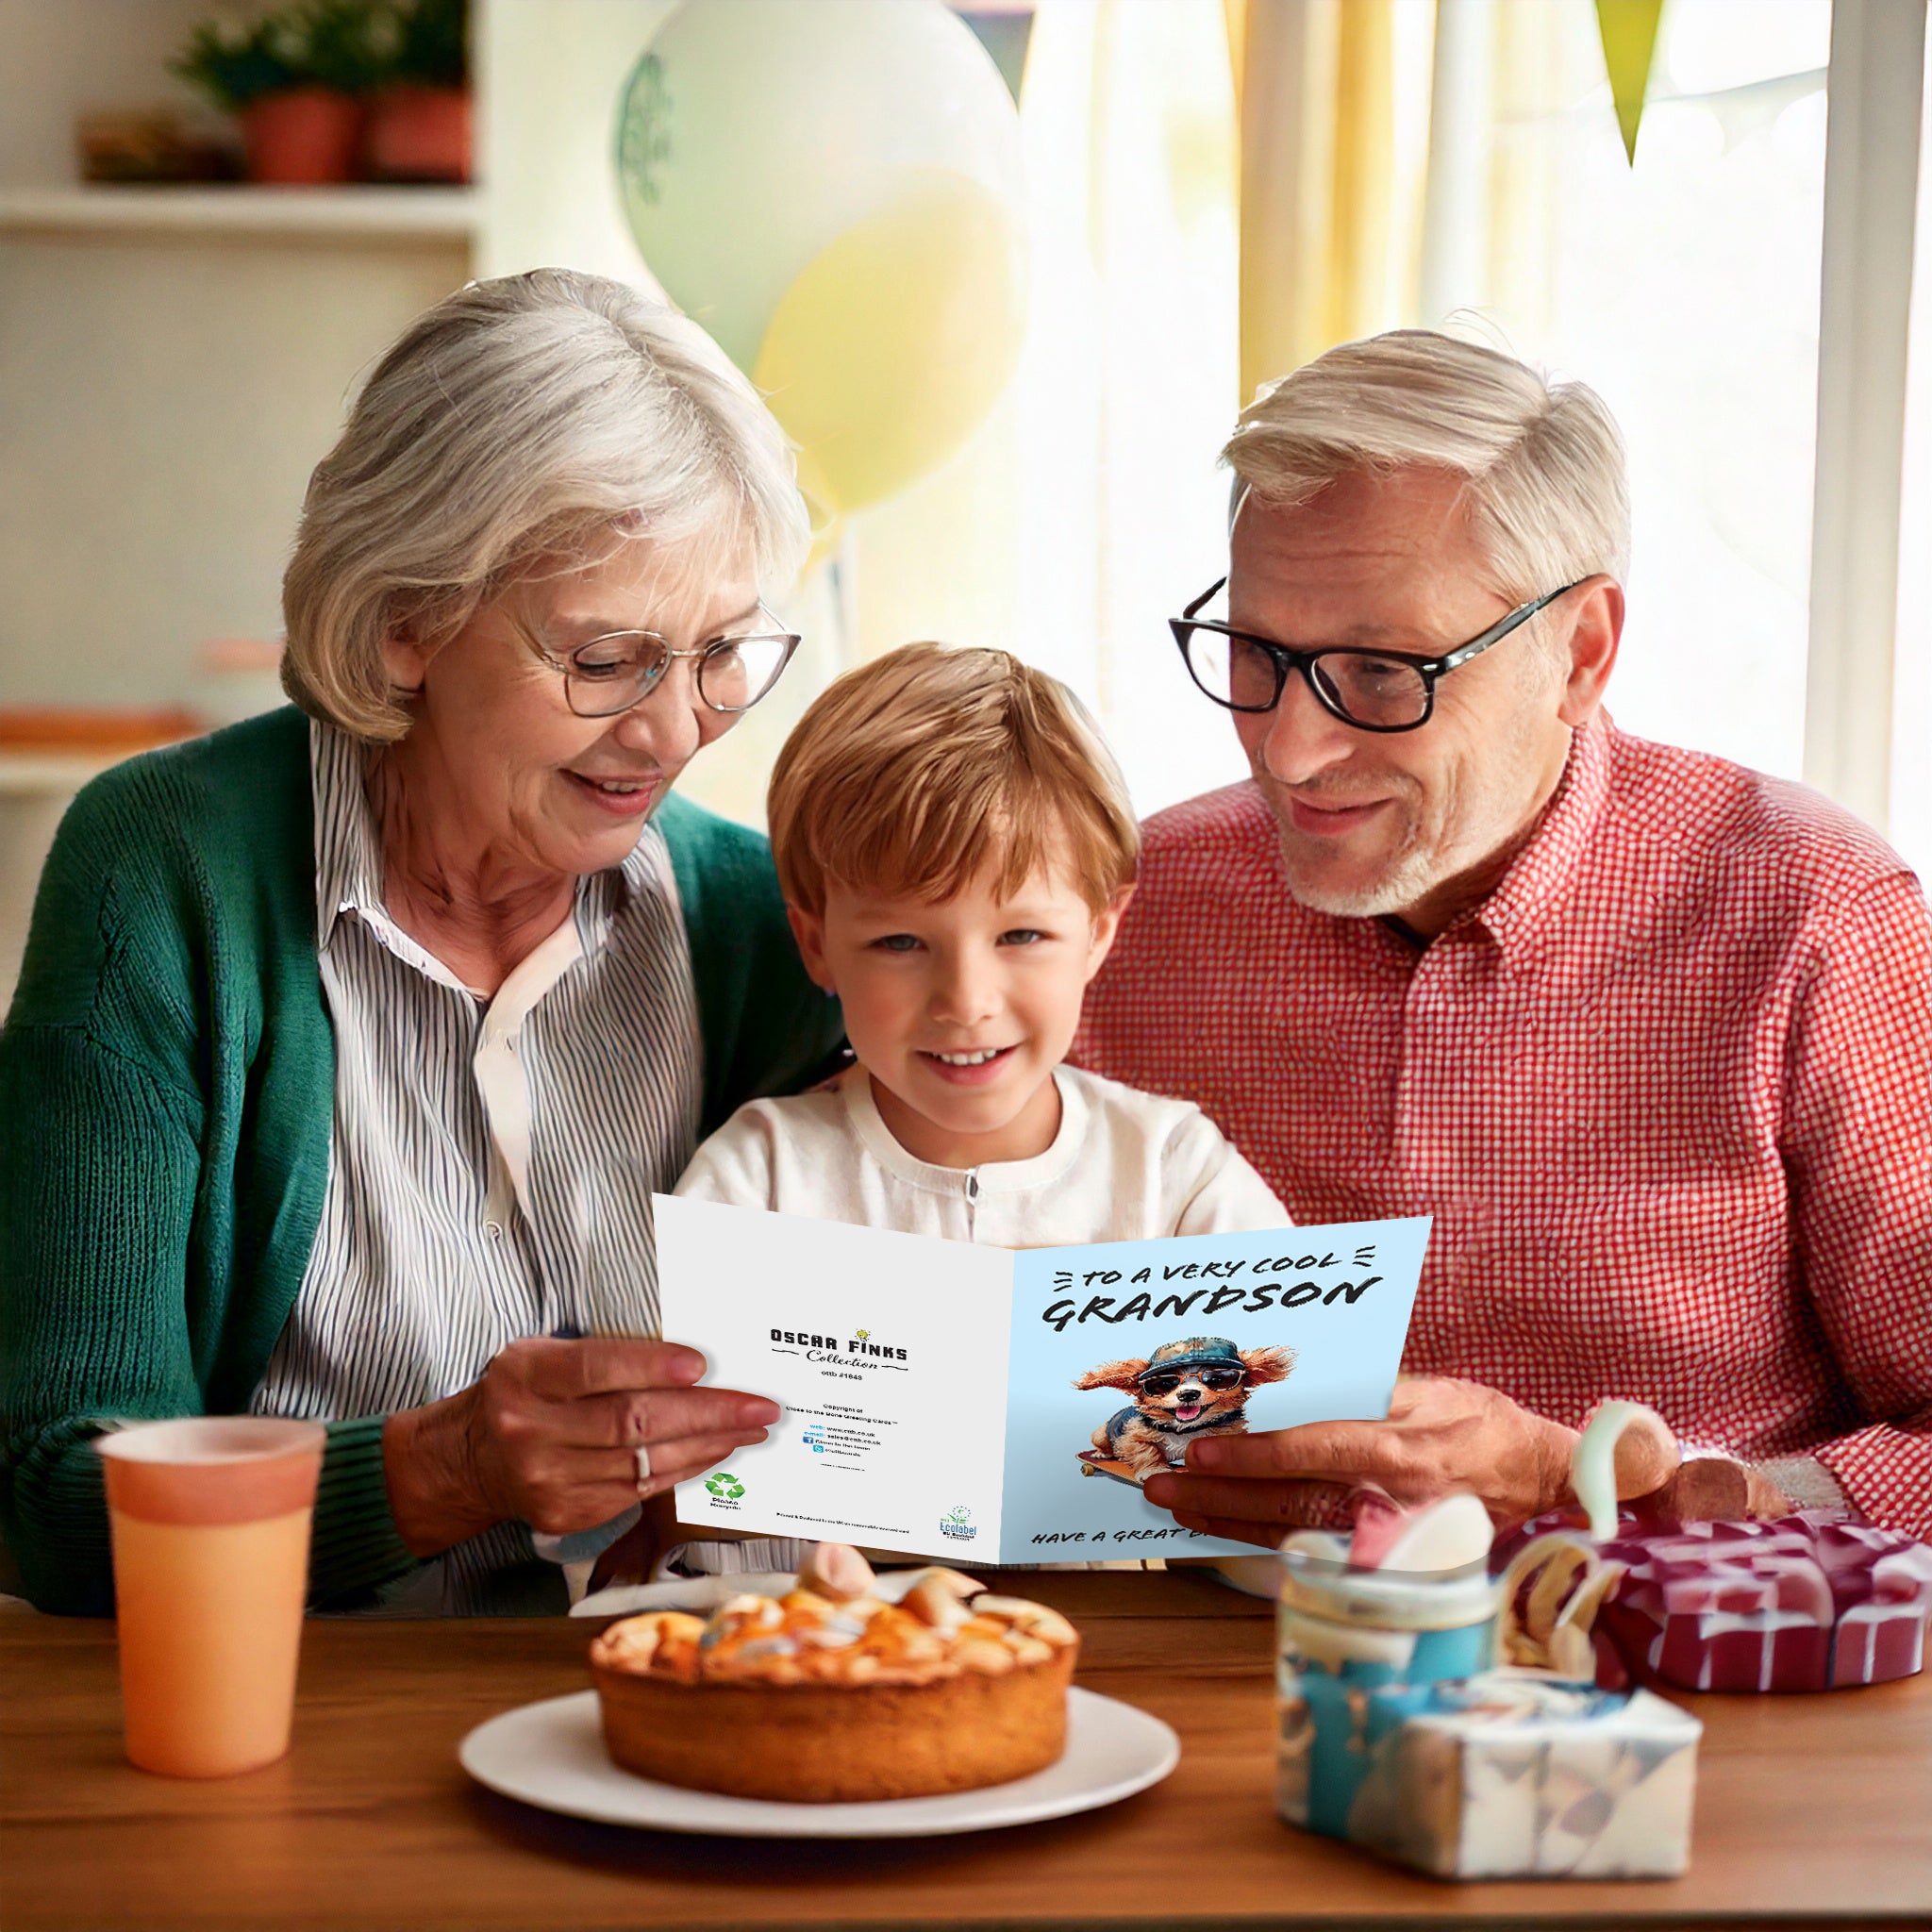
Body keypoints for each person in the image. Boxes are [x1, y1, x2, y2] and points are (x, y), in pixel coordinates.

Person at [0, 270, 845, 1615]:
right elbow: (51, 1499)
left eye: (722, 653)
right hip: (308, 1731)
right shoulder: (166, 871)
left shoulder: (768, 923)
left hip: (694, 1709)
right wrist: (441, 1469)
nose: (677, 731)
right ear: (408, 622)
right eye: (606, 658)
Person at [1076, 329, 1932, 1542]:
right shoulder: (1122, 909)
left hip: (1684, 1682)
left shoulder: (1813, 916)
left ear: (1578, 650)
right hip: (1191, 1666)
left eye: (1381, 673)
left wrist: (1597, 1486)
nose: (1286, 750)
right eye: (1256, 655)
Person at [668, 642, 1290, 1576]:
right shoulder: (756, 1173)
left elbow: (1275, 1461)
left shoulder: (1173, 1169)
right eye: (900, 940)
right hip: (808, 1653)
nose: (965, 996)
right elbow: (682, 1468)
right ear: (816, 944)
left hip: (1103, 1657)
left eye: (1021, 934)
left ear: (1100, 930)